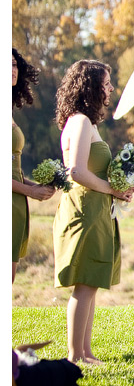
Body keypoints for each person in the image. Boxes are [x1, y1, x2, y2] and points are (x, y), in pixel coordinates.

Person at [53, 60, 134, 364]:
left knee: (91, 284)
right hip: (84, 211)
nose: (111, 88)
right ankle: (76, 357)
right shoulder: (82, 123)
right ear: (90, 86)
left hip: (95, 209)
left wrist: (121, 186)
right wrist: (112, 189)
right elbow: (76, 171)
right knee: (84, 285)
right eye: (106, 83)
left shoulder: (83, 121)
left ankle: (86, 352)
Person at [12, 48, 56, 283]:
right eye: (6, 65)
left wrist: (35, 187)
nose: (12, 70)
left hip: (16, 202)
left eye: (14, 64)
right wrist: (30, 191)